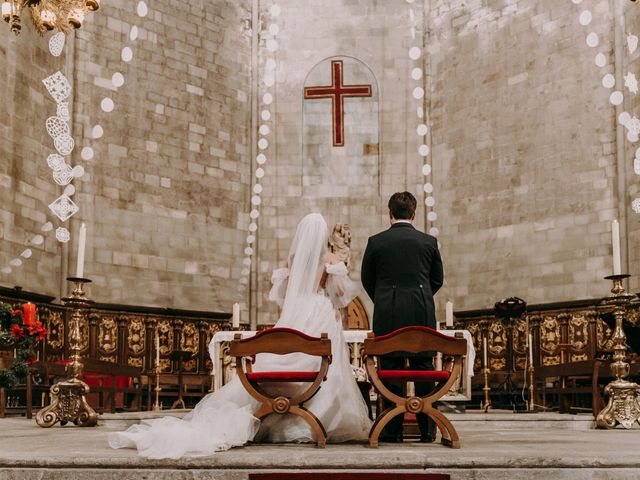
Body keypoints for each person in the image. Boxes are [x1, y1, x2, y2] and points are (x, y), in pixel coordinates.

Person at [108, 213, 372, 458]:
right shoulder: (330, 260)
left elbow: (280, 295)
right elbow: (340, 296)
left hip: (294, 312)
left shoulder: (291, 261)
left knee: (286, 355)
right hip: (319, 312)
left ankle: (272, 414)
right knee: (327, 365)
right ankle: (316, 420)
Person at [360, 191, 444, 443]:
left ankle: (392, 430)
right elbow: (437, 279)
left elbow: (367, 279)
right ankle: (427, 431)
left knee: (391, 369)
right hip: (422, 311)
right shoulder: (428, 241)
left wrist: (385, 299)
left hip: (388, 312)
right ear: (414, 213)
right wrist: (421, 296)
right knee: (423, 367)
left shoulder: (376, 241)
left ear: (389, 214)